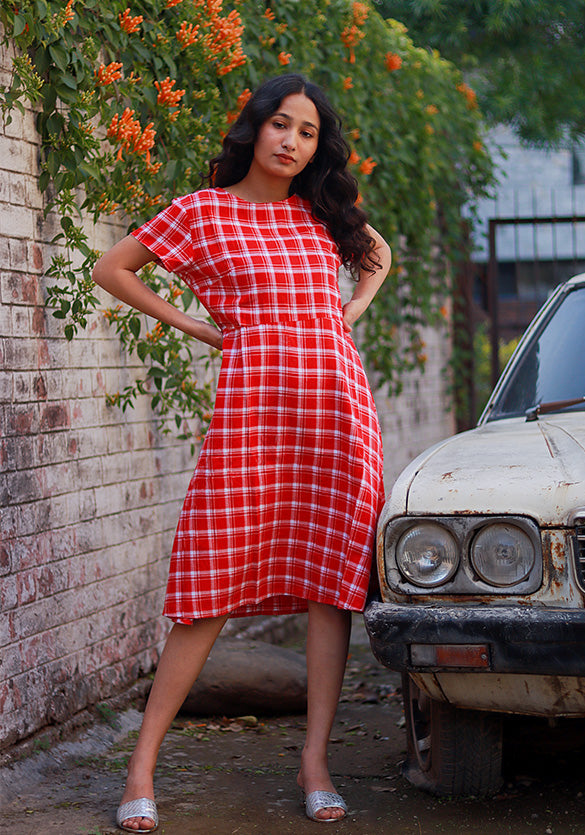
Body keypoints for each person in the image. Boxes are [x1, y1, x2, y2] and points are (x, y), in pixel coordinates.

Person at [92, 72, 391, 831]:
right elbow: (111, 268)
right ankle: (142, 766)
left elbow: (377, 255)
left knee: (332, 589)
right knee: (209, 581)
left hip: (335, 412)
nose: (291, 141)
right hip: (253, 417)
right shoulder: (202, 213)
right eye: (280, 125)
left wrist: (346, 311)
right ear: (254, 128)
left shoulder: (321, 215)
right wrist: (192, 326)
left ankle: (315, 762)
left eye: (308, 132)